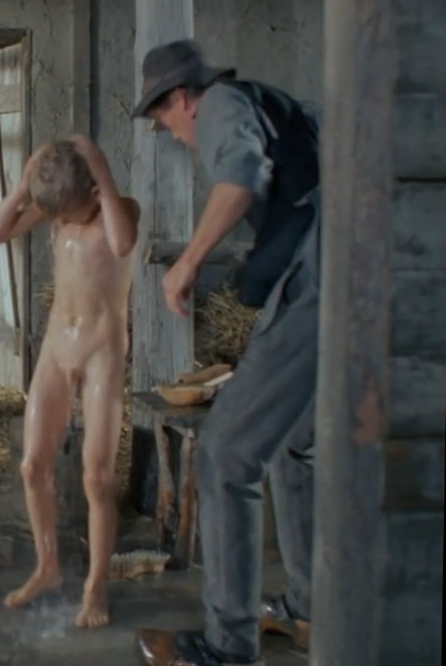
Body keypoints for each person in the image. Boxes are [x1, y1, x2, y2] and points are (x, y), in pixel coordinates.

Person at [130, 40, 321, 666]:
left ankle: (226, 647)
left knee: (225, 455)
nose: (176, 135)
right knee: (293, 445)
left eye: (164, 120)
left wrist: (187, 264)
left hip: (317, 289)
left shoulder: (220, 104)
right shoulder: (283, 107)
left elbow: (239, 178)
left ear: (182, 98)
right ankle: (310, 611)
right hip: (350, 289)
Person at [0, 134, 140, 629]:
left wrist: (100, 167)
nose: (62, 222)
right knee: (33, 466)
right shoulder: (57, 209)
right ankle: (47, 566)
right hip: (57, 344)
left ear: (94, 191)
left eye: (70, 213)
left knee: (97, 477)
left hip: (101, 352)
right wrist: (24, 185)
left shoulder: (119, 210)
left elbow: (122, 244)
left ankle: (96, 587)